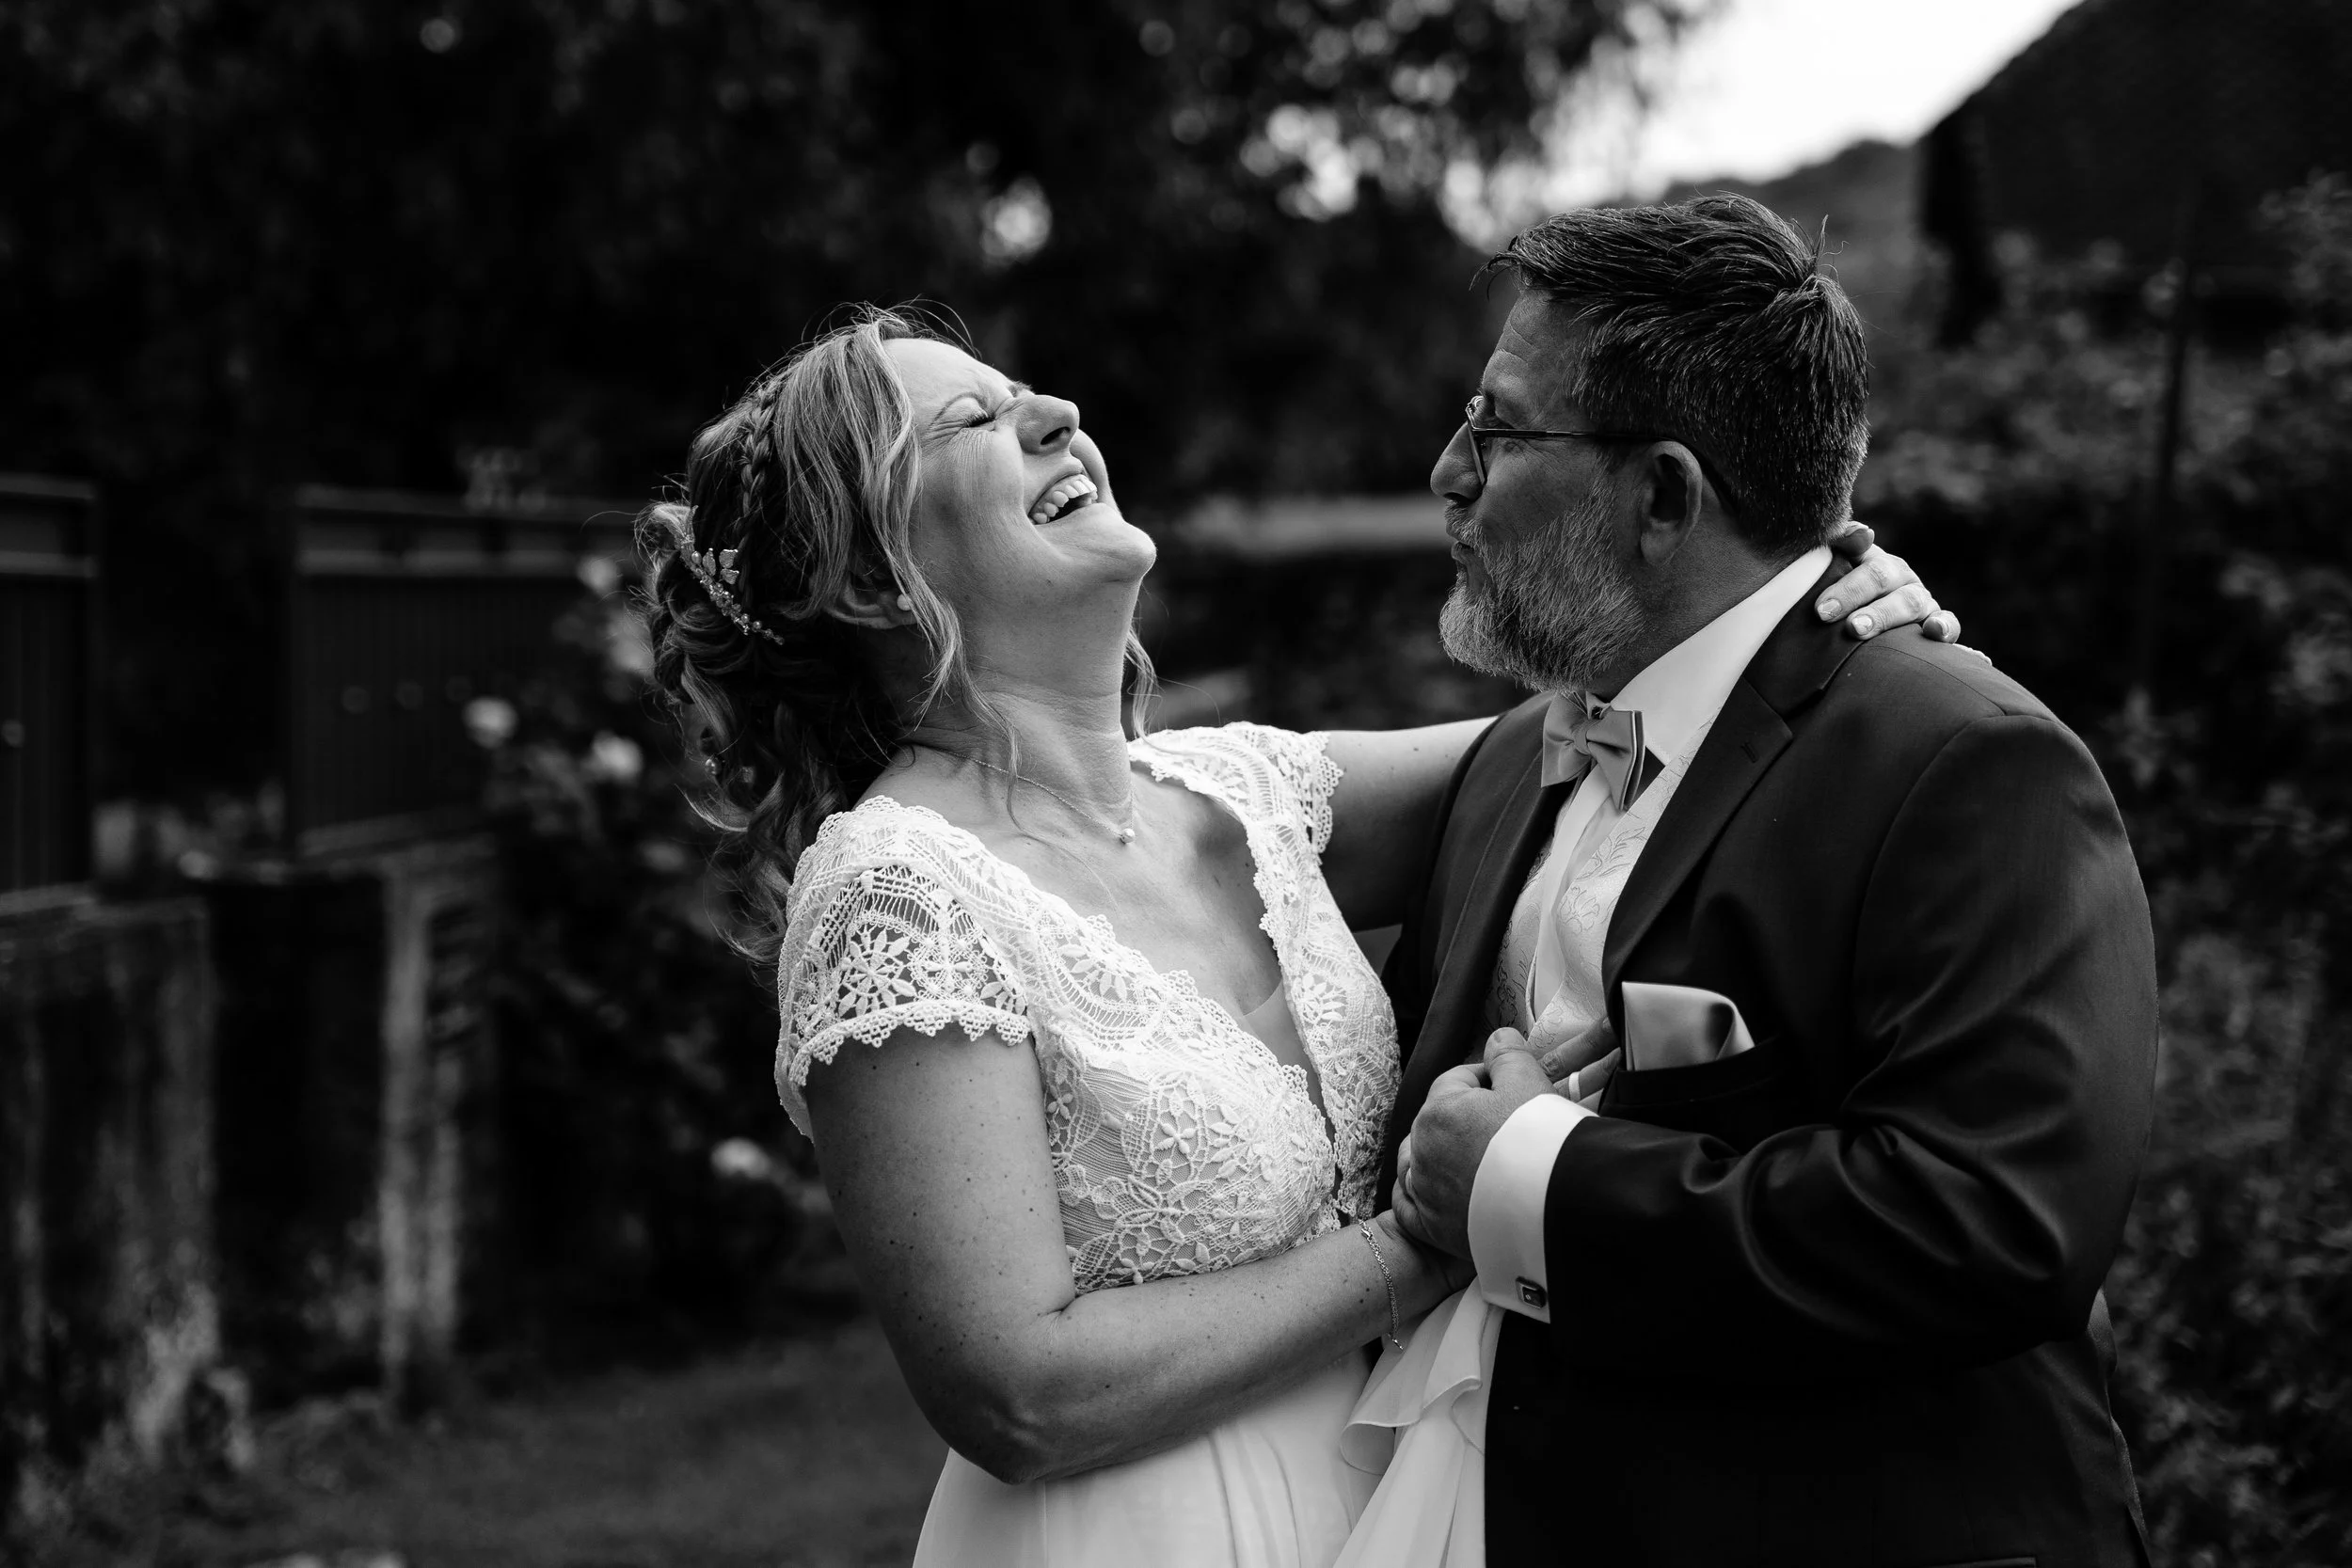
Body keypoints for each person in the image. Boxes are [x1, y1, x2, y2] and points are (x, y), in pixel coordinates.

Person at [637, 304, 1952, 1568]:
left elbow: (1627, 730)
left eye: (1024, 394)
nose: (1055, 413)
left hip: (1396, 1505)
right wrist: (1429, 1236)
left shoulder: (1250, 794)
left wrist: (1798, 620)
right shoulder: (896, 889)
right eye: (973, 421)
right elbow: (1013, 1390)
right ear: (871, 574)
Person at [1369, 195, 2159, 1568]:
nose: (1448, 470)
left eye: (1496, 429)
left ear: (1664, 495)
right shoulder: (1508, 764)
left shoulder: (1964, 761)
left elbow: (1994, 1220)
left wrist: (1533, 1179)